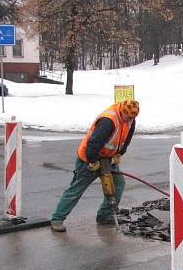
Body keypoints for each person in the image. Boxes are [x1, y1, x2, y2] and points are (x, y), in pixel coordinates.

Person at [50, 99, 140, 232]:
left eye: (132, 118)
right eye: (127, 117)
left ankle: (105, 215)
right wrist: (92, 161)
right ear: (122, 111)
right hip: (89, 157)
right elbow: (93, 143)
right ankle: (57, 219)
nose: (129, 120)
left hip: (108, 159)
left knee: (118, 184)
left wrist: (119, 154)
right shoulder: (108, 121)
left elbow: (126, 140)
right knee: (77, 189)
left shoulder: (130, 120)